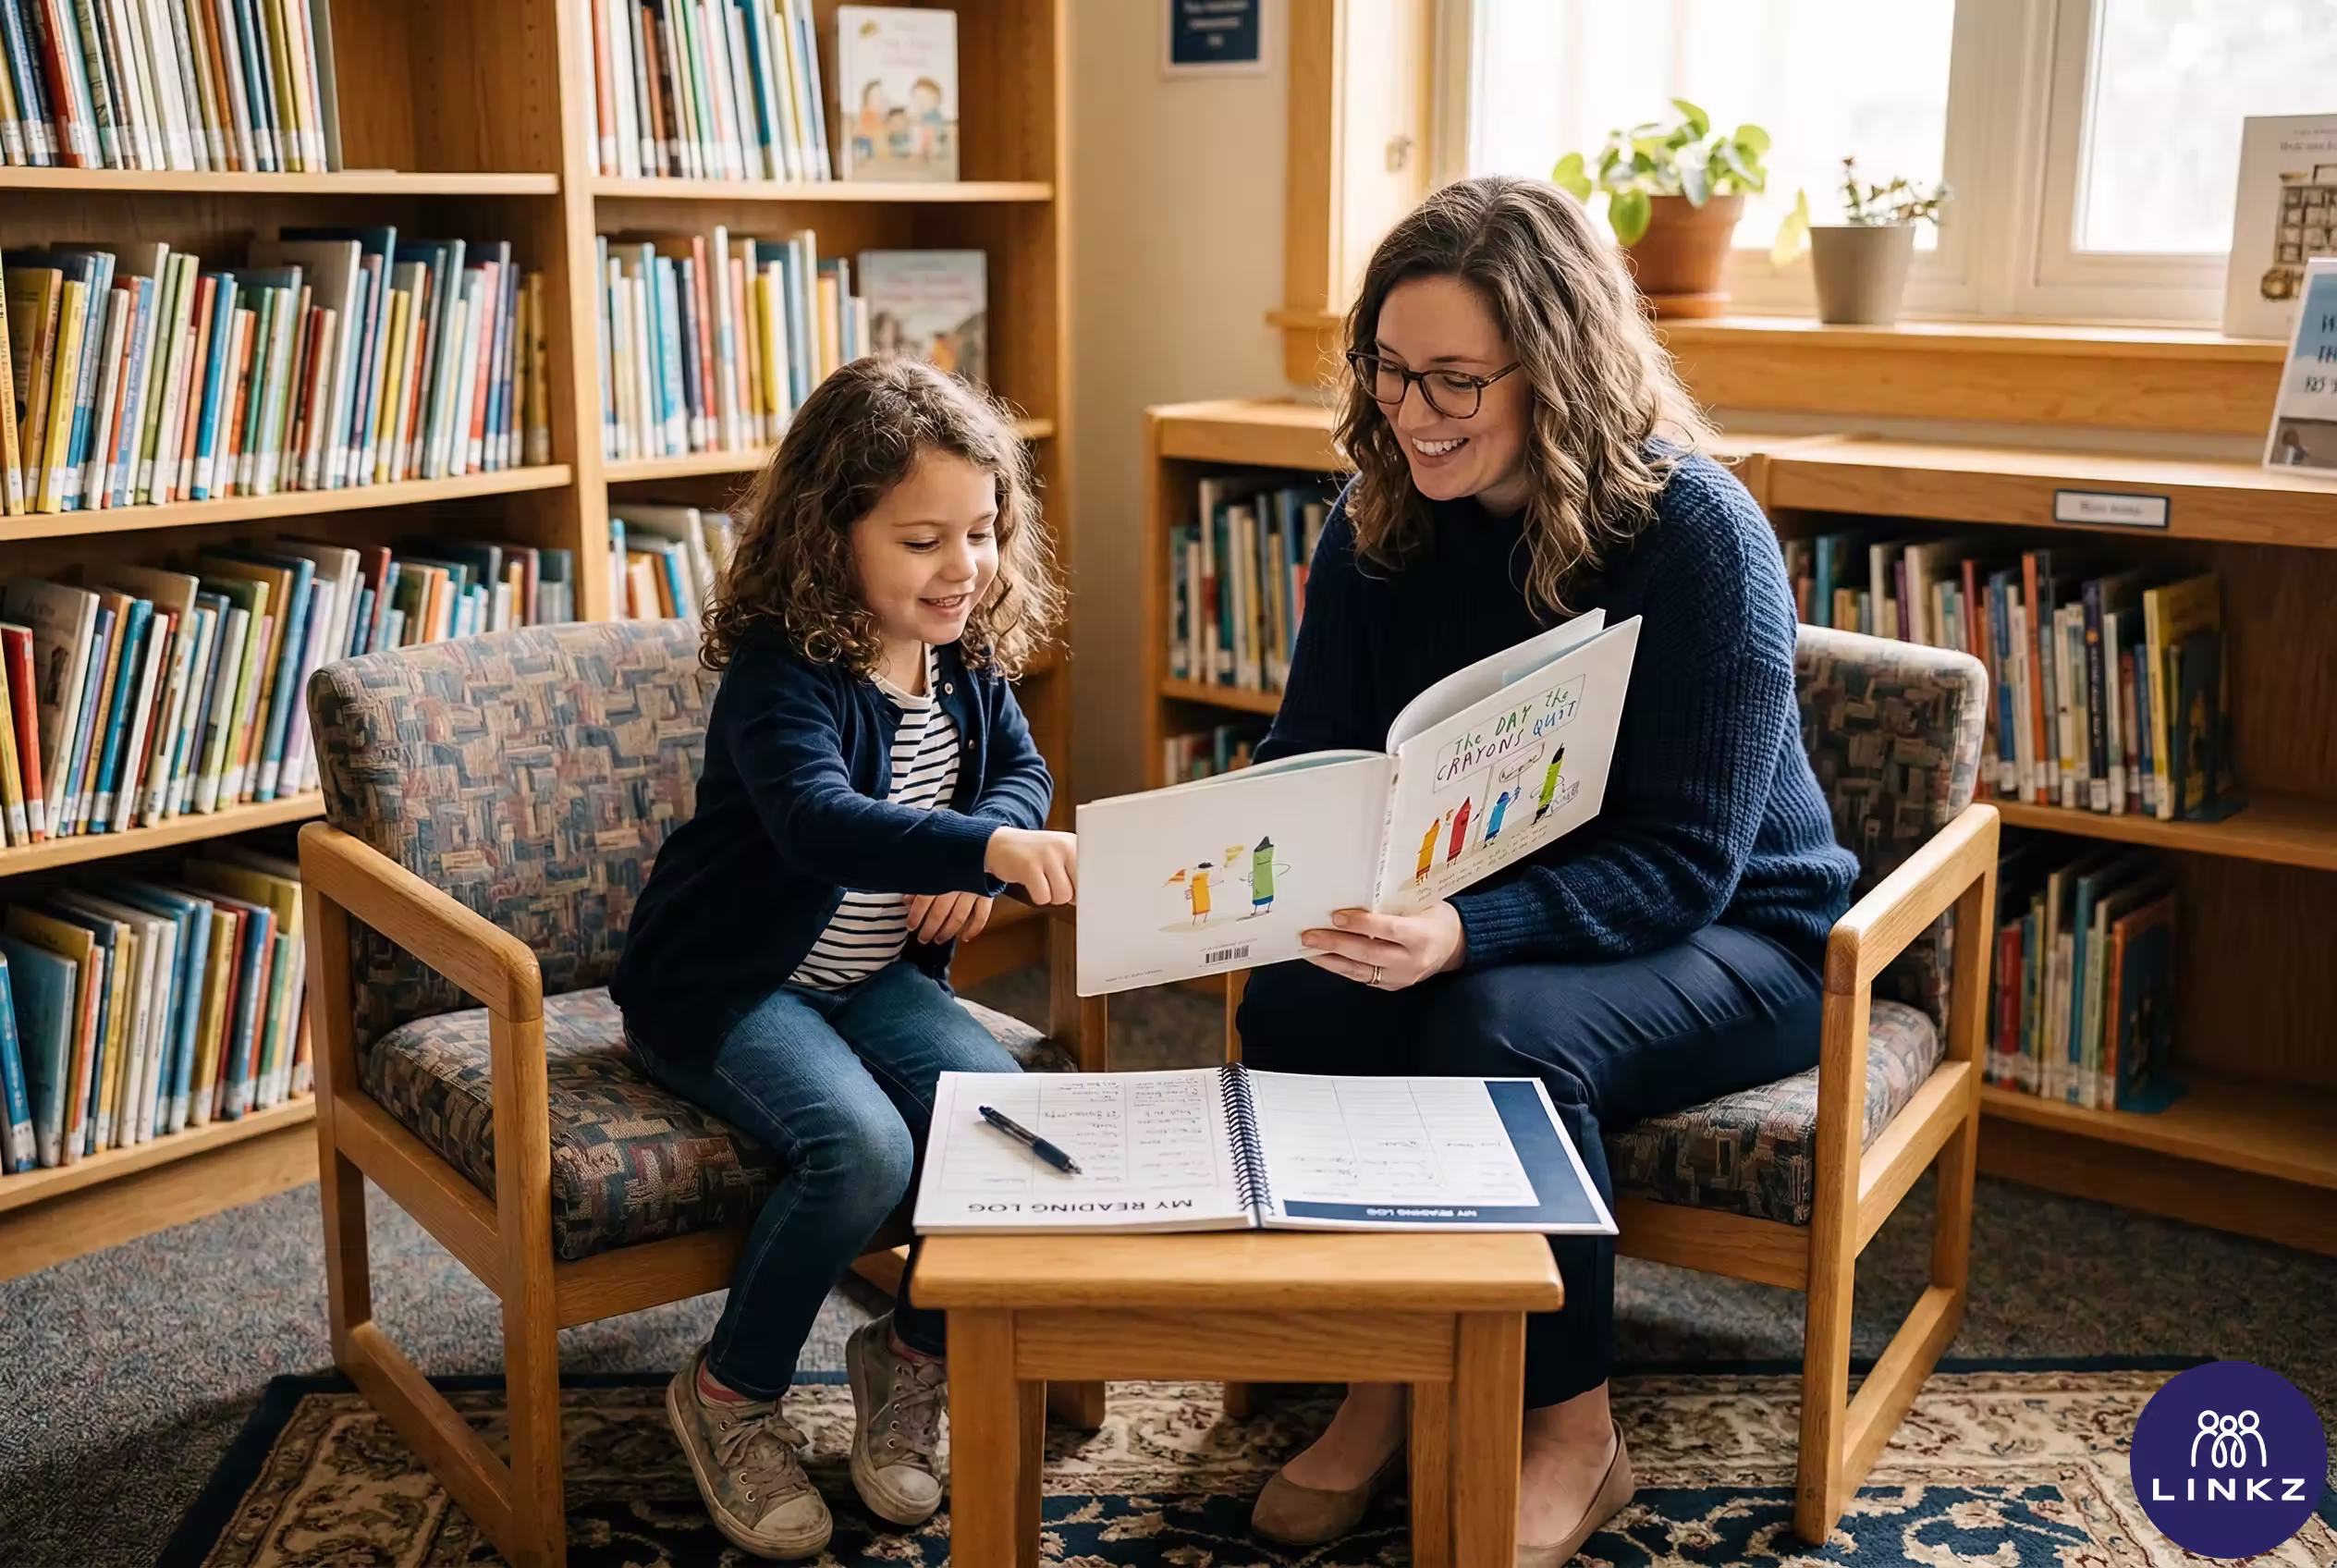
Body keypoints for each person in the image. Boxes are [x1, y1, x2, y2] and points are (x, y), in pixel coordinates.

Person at [1237, 174, 1860, 1565]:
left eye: (1456, 381)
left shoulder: (1697, 535)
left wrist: (1464, 933)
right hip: (1471, 901)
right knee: (1297, 1004)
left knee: (1498, 1033)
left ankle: (1574, 1434)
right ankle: (1387, 1370)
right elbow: (1315, 750)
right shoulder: (1376, 519)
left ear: (1557, 366)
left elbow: (1689, 862)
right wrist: (1255, 868)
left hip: (1732, 930)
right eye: (1391, 373)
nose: (1415, 413)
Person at [610, 357, 1077, 1561]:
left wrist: (984, 850)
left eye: (982, 531)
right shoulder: (785, 674)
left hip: (870, 977)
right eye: (924, 539)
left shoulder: (965, 659)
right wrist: (985, 850)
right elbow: (816, 818)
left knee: (1011, 1133)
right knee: (862, 1148)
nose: (964, 567)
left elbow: (1021, 772)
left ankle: (908, 1357)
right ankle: (726, 1396)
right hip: (727, 983)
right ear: (833, 538)